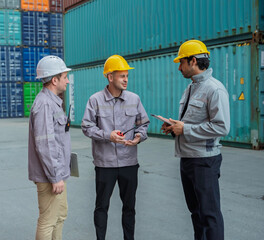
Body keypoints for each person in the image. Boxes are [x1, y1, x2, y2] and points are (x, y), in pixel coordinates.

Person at [161, 40, 230, 240]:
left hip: (205, 161)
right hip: (188, 159)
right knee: (196, 214)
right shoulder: (191, 88)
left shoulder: (214, 89)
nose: (179, 67)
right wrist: (175, 128)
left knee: (209, 215)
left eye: (181, 62)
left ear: (193, 61)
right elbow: (189, 122)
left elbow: (222, 126)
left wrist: (186, 128)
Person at [81, 55, 150, 240]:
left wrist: (138, 137)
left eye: (127, 76)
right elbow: (86, 127)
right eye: (122, 76)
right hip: (105, 164)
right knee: (101, 206)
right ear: (110, 77)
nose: (126, 79)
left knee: (129, 207)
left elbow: (143, 124)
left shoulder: (134, 99)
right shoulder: (95, 100)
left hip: (129, 162)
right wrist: (107, 135)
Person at [28, 55, 72, 240]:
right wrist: (55, 177)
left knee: (60, 215)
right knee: (47, 221)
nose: (68, 81)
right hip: (50, 176)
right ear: (54, 80)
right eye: (64, 77)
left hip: (57, 173)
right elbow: (45, 144)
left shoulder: (53, 101)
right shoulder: (45, 104)